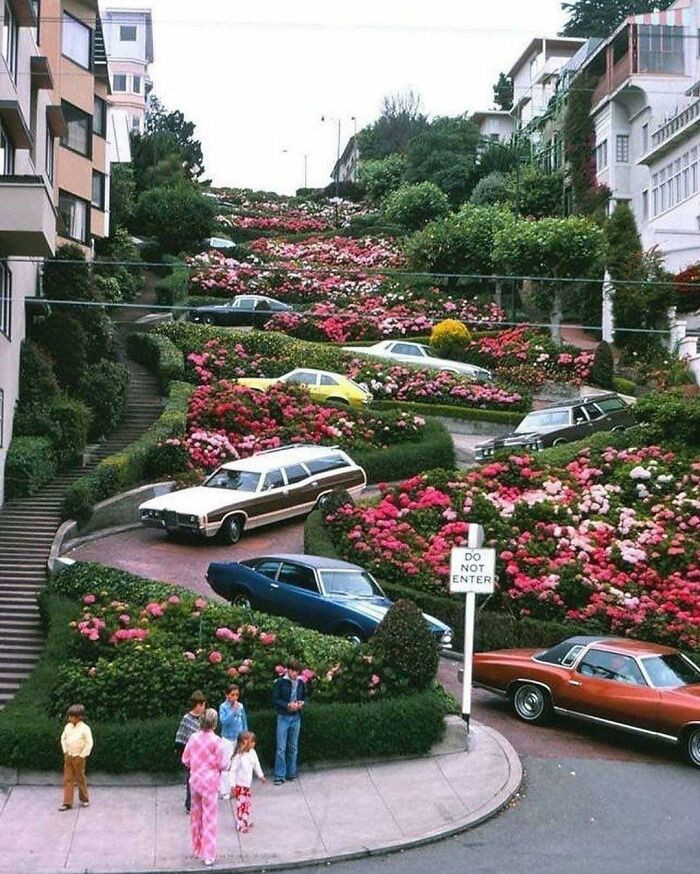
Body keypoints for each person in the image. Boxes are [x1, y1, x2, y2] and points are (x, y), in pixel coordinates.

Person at [182, 708, 230, 867]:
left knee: (196, 817)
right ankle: (209, 854)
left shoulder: (193, 738)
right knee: (209, 819)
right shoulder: (218, 742)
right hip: (210, 784)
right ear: (215, 724)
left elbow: (185, 759)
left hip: (195, 782)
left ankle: (197, 847)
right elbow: (223, 764)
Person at [272, 659, 308, 786]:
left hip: (296, 717)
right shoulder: (281, 682)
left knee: (293, 747)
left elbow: (304, 696)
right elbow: (275, 699)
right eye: (292, 671)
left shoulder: (300, 683)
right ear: (288, 670)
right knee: (281, 748)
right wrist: (287, 705)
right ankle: (279, 775)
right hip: (284, 717)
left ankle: (291, 773)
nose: (294, 674)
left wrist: (301, 703)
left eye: (296, 672)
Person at [175, 690, 207, 813]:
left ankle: (201, 801)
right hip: (192, 755)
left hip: (203, 755)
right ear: (197, 705)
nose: (203, 708)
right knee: (191, 779)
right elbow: (181, 737)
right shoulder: (187, 719)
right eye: (202, 705)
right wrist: (183, 754)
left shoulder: (204, 718)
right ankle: (190, 804)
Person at [59, 704, 94, 811]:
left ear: (79, 717)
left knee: (80, 778)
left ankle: (84, 799)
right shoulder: (67, 727)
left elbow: (89, 743)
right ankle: (67, 802)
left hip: (79, 756)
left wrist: (82, 755)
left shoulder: (85, 729)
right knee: (68, 779)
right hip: (69, 755)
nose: (69, 718)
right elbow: (63, 739)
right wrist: (65, 751)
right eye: (69, 716)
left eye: (72, 716)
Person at [230, 731, 266, 833]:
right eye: (251, 742)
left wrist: (261, 775)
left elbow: (256, 765)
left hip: (247, 785)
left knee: (247, 804)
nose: (254, 743)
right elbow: (232, 771)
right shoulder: (238, 756)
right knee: (241, 805)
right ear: (244, 743)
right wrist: (232, 785)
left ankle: (245, 820)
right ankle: (240, 824)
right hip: (239, 786)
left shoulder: (253, 753)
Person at [218, 684, 248, 798]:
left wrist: (246, 735)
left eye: (237, 695)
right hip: (227, 738)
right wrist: (233, 711)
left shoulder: (240, 706)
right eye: (232, 695)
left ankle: (239, 788)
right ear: (227, 695)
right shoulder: (223, 707)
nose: (235, 697)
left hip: (239, 738)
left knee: (239, 764)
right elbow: (224, 721)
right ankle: (225, 791)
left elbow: (244, 721)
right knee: (227, 764)